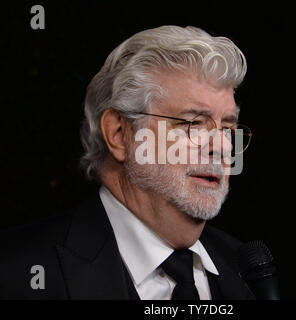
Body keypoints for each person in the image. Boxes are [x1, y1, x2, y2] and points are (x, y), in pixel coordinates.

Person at [0, 25, 254, 300]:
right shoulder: (16, 272)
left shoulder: (246, 271)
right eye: (193, 123)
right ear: (120, 134)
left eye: (227, 128)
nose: (223, 147)